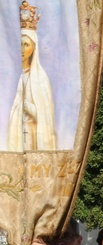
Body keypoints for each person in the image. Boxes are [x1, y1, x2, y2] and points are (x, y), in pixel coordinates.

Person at [9, 11, 56, 151]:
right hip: (18, 134)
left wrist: (27, 107)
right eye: (20, 44)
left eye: (26, 44)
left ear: (34, 48)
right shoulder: (16, 76)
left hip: (33, 136)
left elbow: (44, 116)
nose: (22, 49)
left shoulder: (40, 78)